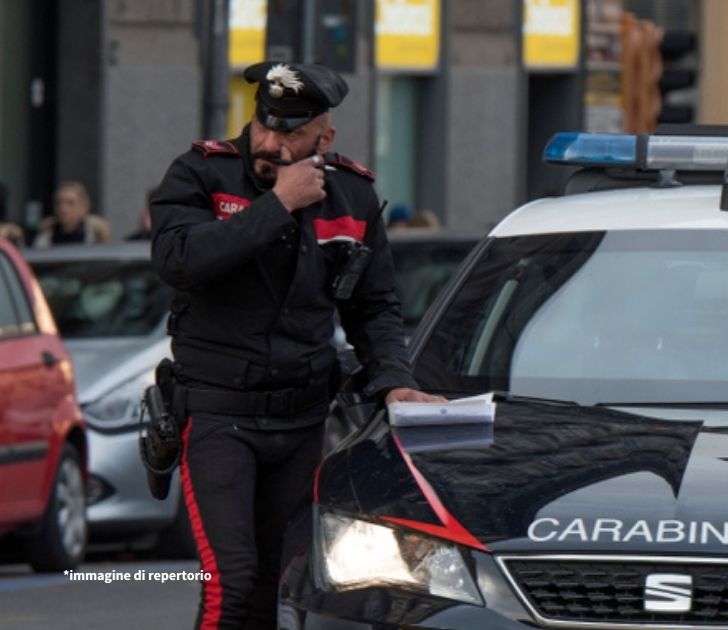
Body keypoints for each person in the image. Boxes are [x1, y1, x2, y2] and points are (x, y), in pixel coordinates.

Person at [149, 61, 443, 629]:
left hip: (302, 420)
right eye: (264, 124)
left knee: (275, 588)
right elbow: (178, 261)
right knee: (227, 585)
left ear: (323, 139)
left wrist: (396, 380)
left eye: (291, 133)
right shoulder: (203, 174)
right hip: (217, 416)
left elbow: (375, 306)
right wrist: (277, 203)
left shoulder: (351, 194)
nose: (271, 142)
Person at [32, 181, 112, 247]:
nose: (63, 209)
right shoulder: (45, 236)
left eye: (70, 203)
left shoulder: (97, 235)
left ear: (83, 207)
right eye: (58, 203)